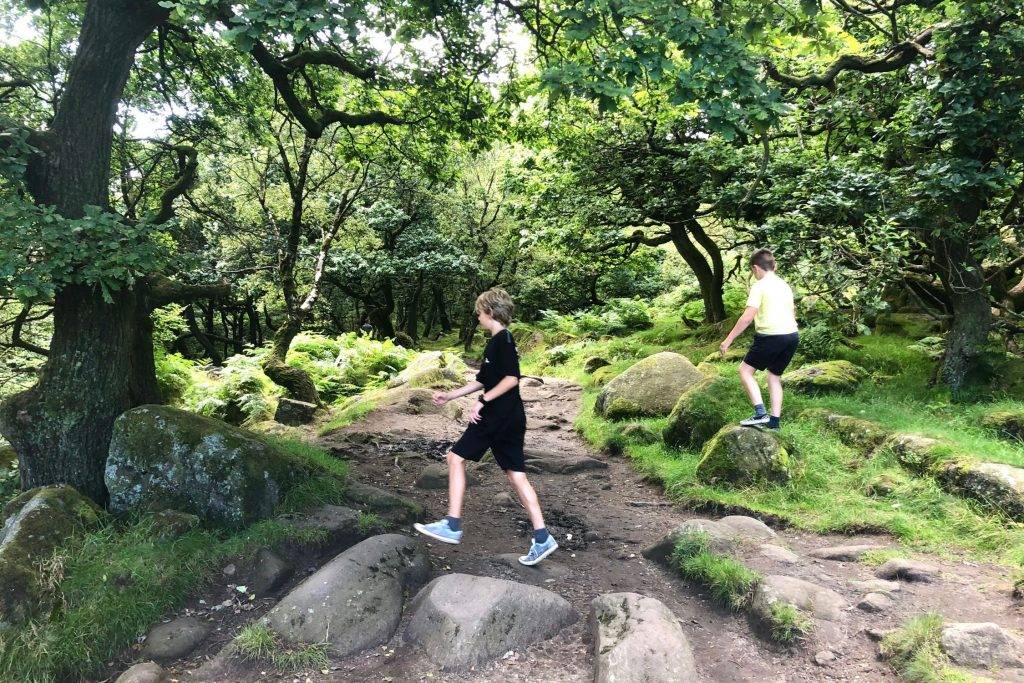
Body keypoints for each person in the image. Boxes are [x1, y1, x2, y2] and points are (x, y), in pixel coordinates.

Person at [413, 288, 558, 566]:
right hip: (512, 416)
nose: (477, 317)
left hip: (498, 415)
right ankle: (542, 538)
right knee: (516, 475)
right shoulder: (499, 342)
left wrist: (482, 401)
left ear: (490, 311)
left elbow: (512, 379)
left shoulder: (501, 340)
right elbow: (485, 379)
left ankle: (452, 525)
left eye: (479, 312)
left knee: (455, 458)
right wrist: (451, 395)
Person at [719, 249, 799, 430]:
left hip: (771, 336)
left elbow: (747, 317)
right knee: (774, 376)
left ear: (755, 268)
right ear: (774, 266)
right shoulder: (783, 285)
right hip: (792, 336)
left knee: (745, 371)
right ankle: (774, 422)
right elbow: (792, 311)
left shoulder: (759, 286)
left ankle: (760, 414)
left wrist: (728, 340)